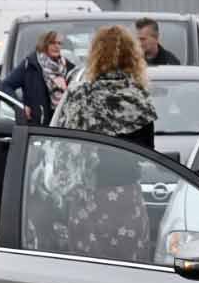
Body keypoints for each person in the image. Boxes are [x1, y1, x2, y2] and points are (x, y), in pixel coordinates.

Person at [52, 26, 158, 262]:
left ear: (96, 56)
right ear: (132, 57)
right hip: (125, 197)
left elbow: (61, 144)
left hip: (86, 197)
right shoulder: (138, 97)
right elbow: (146, 152)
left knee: (87, 274)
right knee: (130, 272)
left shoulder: (79, 95)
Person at [0, 29, 74, 124]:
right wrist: (19, 106)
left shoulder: (68, 67)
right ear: (44, 44)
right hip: (38, 126)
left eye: (59, 43)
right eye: (52, 43)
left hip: (62, 123)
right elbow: (5, 86)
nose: (56, 46)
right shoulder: (30, 65)